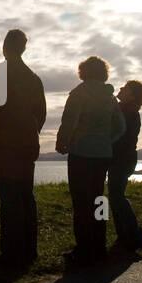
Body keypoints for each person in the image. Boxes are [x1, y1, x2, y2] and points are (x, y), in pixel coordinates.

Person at [0, 29, 47, 269]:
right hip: (27, 142)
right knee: (26, 195)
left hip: (5, 144)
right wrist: (30, 132)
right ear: (23, 49)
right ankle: (29, 250)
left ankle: (10, 254)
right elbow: (41, 114)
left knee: (9, 198)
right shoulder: (33, 78)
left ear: (5, 47)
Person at [55, 55, 125, 266]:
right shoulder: (111, 98)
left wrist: (63, 142)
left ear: (83, 72)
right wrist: (106, 141)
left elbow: (70, 121)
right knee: (98, 199)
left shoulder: (79, 93)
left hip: (81, 153)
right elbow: (121, 127)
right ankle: (99, 245)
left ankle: (83, 249)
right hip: (103, 154)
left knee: (80, 201)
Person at [109, 80, 142, 252]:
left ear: (132, 95)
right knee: (115, 195)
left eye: (124, 88)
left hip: (122, 159)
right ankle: (125, 236)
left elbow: (118, 135)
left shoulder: (127, 111)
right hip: (124, 158)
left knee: (116, 196)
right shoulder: (127, 109)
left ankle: (135, 233)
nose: (120, 89)